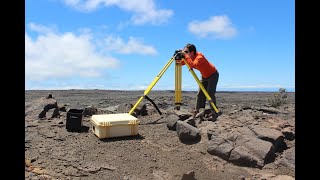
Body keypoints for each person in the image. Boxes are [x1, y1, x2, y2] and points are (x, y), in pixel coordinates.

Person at [178, 43, 220, 119]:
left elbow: (193, 64)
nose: (185, 54)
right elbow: (181, 64)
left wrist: (185, 56)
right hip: (204, 76)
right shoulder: (190, 57)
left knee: (210, 93)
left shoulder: (199, 57)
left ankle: (214, 112)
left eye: (186, 52)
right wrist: (178, 57)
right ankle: (198, 110)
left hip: (213, 75)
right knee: (200, 94)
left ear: (192, 52)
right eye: (184, 52)